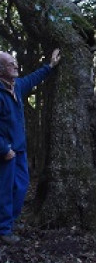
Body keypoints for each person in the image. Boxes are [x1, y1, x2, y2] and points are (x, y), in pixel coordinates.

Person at [0, 48, 61, 244]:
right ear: (0, 69)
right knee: (5, 191)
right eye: (11, 64)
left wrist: (50, 66)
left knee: (21, 187)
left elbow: (33, 78)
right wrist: (4, 149)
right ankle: (4, 230)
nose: (16, 66)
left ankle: (8, 222)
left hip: (19, 149)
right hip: (6, 152)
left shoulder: (16, 86)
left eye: (15, 62)